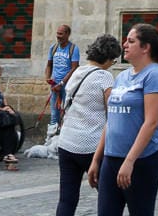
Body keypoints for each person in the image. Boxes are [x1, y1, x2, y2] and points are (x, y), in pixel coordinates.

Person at [87, 24, 158, 216]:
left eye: (131, 41)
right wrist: (97, 158)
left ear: (145, 47)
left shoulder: (154, 75)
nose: (125, 44)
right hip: (112, 157)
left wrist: (130, 161)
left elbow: (151, 122)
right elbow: (112, 119)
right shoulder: (122, 76)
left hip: (141, 160)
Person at [56, 34, 120, 216]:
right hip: (91, 145)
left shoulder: (77, 72)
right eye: (113, 60)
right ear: (108, 58)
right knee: (110, 195)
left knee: (67, 198)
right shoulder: (105, 77)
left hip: (67, 142)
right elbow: (113, 113)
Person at [46, 24, 81, 130]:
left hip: (67, 86)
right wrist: (48, 77)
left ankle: (64, 138)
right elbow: (49, 65)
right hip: (55, 86)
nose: (58, 36)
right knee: (54, 114)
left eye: (61, 34)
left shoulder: (73, 49)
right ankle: (51, 137)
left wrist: (61, 83)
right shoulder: (53, 48)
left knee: (67, 113)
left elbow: (74, 68)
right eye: (57, 33)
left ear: (67, 34)